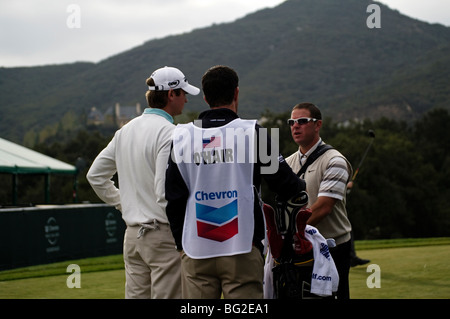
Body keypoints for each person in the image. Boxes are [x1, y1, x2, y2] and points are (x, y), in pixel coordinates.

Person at [165, 65, 306, 299]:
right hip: (242, 245)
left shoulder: (181, 136)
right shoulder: (254, 132)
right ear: (236, 93)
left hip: (195, 247)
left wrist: (181, 245)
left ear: (206, 96)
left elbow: (173, 198)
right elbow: (287, 185)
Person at [86, 66, 200, 298]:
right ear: (171, 94)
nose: (187, 100)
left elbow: (96, 176)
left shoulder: (125, 131)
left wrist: (124, 204)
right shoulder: (171, 132)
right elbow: (163, 191)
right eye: (183, 93)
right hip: (163, 235)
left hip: (132, 236)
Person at [285, 102, 353, 299]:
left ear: (318, 124)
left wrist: (289, 235)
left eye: (302, 121)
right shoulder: (288, 163)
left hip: (333, 248)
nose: (295, 126)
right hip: (300, 247)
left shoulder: (335, 160)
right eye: (292, 122)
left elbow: (323, 208)